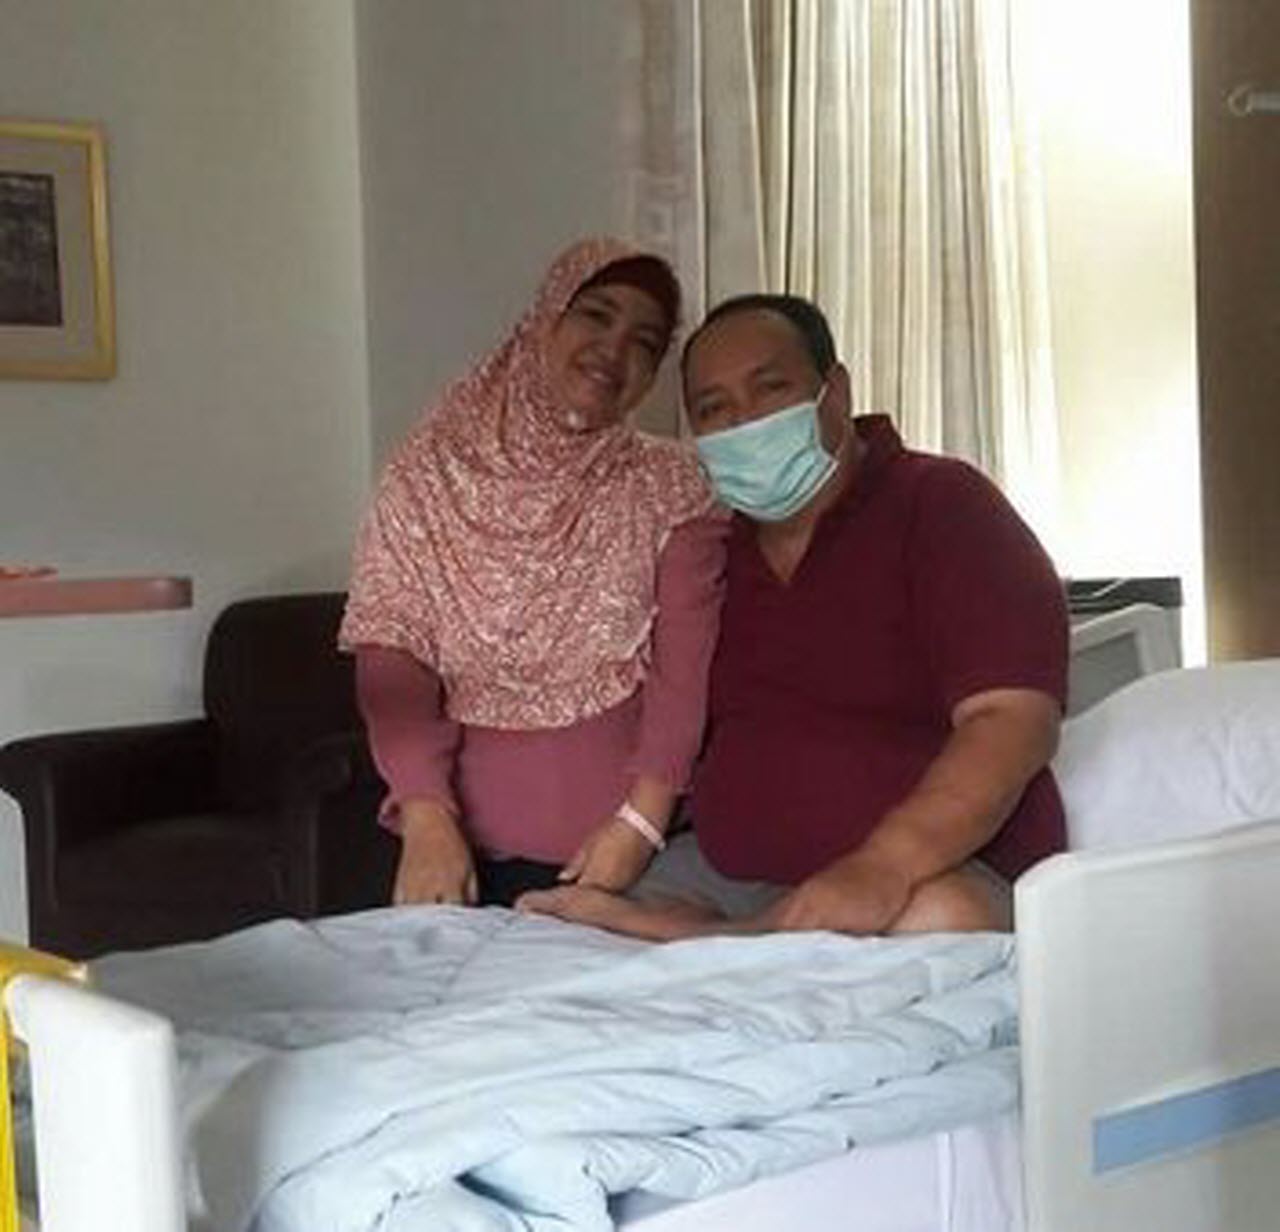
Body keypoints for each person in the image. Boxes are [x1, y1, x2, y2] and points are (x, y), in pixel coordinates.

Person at [520, 292, 1068, 939]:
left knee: (945, 918)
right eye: (714, 409)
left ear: (835, 394)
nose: (744, 421)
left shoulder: (943, 505)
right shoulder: (708, 550)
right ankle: (733, 935)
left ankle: (715, 941)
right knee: (569, 931)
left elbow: (1011, 720)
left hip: (927, 869)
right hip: (724, 876)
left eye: (770, 389)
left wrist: (882, 867)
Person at [340, 238, 726, 908]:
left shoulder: (672, 486)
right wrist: (426, 816)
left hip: (636, 858)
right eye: (596, 314)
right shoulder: (428, 472)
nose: (615, 349)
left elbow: (683, 677)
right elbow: (392, 647)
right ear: (544, 319)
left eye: (645, 342)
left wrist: (640, 825)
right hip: (458, 857)